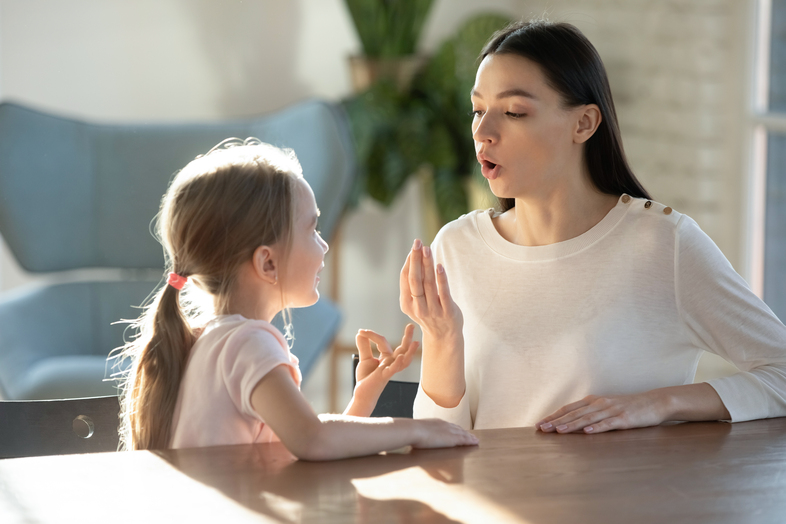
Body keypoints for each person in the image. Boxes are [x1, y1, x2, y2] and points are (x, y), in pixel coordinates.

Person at [401, 20, 786, 434]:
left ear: (584, 123)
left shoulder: (662, 245)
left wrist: (662, 403)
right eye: (478, 110)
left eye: (514, 112)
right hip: (481, 480)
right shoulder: (456, 248)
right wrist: (441, 339)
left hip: (624, 480)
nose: (482, 131)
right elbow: (438, 442)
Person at [116, 138, 477, 458]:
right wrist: (417, 429)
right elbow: (312, 440)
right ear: (268, 263)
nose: (324, 245)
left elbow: (302, 449)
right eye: (312, 228)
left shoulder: (207, 341)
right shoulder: (247, 343)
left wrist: (363, 398)